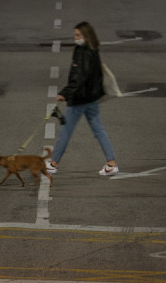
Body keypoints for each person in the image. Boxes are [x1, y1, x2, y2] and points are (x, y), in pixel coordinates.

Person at [47, 21, 119, 177]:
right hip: (92, 99)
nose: (75, 38)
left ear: (86, 36)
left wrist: (65, 93)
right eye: (75, 35)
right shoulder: (94, 50)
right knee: (99, 131)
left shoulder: (82, 52)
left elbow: (79, 78)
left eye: (78, 35)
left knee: (65, 132)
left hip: (79, 100)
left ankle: (53, 165)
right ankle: (111, 164)